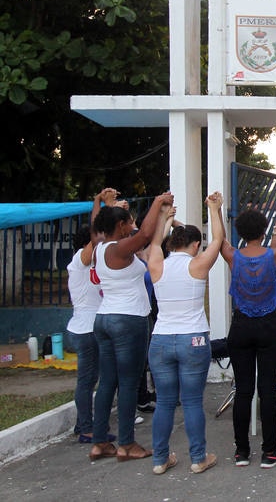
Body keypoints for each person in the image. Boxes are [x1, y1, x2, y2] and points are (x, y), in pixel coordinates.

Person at [88, 191, 174, 462]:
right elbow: (145, 235)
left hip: (104, 319)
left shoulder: (99, 246)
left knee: (107, 382)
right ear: (120, 225)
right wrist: (157, 202)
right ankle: (126, 444)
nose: (130, 226)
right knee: (128, 383)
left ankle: (100, 442)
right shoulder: (118, 248)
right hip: (128, 320)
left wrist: (100, 204)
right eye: (127, 222)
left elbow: (96, 225)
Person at [146, 192, 225, 474]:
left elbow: (154, 242)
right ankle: (198, 458)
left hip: (161, 340)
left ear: (171, 244)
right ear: (194, 245)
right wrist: (214, 208)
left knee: (165, 403)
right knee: (191, 402)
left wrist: (166, 219)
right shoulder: (198, 264)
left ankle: (159, 460)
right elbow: (218, 239)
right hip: (193, 339)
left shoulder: (156, 263)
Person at [220, 207, 276, 469]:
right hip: (269, 326)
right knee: (267, 390)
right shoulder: (273, 256)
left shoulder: (233, 256)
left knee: (243, 390)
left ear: (240, 232)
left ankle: (241, 452)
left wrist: (215, 211)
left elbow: (219, 241)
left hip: (241, 326)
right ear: (263, 230)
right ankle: (270, 452)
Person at [66, 188, 114, 444]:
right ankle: (86, 429)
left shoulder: (95, 262)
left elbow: (103, 238)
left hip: (91, 328)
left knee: (94, 378)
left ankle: (83, 423)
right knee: (87, 380)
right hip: (85, 329)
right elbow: (98, 237)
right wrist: (100, 203)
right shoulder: (79, 261)